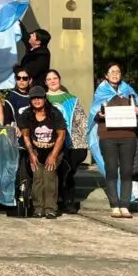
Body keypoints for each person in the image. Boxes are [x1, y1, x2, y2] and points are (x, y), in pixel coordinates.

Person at [91, 62, 138, 219]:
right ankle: (114, 205)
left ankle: (125, 205)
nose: (115, 74)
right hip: (108, 137)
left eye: (118, 71)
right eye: (112, 71)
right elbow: (94, 115)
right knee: (110, 170)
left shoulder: (128, 91)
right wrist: (100, 115)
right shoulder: (101, 92)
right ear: (106, 75)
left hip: (128, 136)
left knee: (126, 171)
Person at [17, 86, 67, 219]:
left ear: (44, 98)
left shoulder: (54, 113)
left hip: (54, 149)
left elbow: (61, 135)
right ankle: (38, 207)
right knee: (38, 176)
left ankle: (50, 208)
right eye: (34, 98)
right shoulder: (27, 114)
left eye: (39, 97)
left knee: (49, 175)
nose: (37, 100)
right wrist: (32, 155)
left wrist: (53, 155)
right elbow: (26, 136)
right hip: (36, 150)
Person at [45, 68, 88, 212]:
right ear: (45, 82)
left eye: (55, 78)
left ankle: (68, 200)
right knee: (55, 172)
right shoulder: (42, 99)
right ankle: (56, 201)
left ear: (60, 80)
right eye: (49, 79)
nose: (52, 81)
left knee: (68, 171)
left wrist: (87, 138)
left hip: (72, 142)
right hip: (49, 143)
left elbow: (81, 120)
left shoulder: (71, 99)